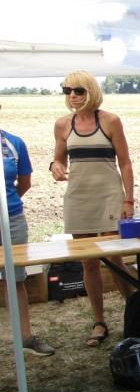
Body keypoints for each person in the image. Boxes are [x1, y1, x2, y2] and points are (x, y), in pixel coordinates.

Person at [50, 71, 135, 347]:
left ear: (91, 92)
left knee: (114, 257)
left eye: (79, 90)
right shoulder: (62, 125)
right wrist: (56, 167)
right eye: (67, 90)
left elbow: (125, 162)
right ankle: (99, 321)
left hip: (109, 196)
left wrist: (129, 200)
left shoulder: (110, 121)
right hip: (78, 200)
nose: (72, 96)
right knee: (88, 262)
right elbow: (58, 160)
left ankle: (136, 311)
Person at [0, 104, 54, 356]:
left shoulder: (14, 143)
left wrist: (8, 205)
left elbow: (25, 182)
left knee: (15, 279)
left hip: (12, 219)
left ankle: (25, 338)